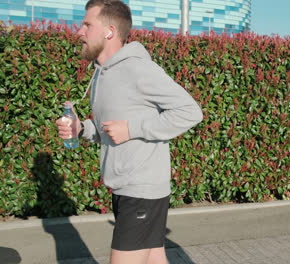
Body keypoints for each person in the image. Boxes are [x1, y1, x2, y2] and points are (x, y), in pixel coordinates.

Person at [56, 0, 203, 263]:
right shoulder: (101, 74)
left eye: (87, 25)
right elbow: (108, 130)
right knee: (154, 258)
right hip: (126, 189)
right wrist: (81, 129)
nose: (79, 31)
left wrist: (132, 129)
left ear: (109, 31)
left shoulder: (137, 68)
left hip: (142, 192)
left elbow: (190, 111)